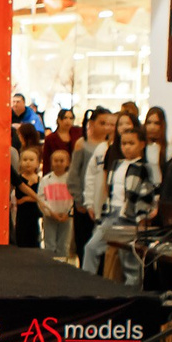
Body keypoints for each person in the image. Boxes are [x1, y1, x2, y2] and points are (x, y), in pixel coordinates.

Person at [82, 120, 157, 287]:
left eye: (131, 143)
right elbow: (110, 191)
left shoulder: (144, 168)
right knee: (91, 247)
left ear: (142, 144)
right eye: (124, 143)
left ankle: (132, 294)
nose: (127, 147)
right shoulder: (116, 164)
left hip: (130, 217)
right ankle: (86, 286)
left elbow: (146, 194)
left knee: (129, 261)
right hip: (111, 214)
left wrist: (141, 217)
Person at [68, 109, 112, 265]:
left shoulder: (110, 146)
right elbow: (73, 175)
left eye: (109, 124)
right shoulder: (82, 144)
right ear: (92, 124)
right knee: (84, 244)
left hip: (102, 203)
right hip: (83, 204)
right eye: (102, 123)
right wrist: (79, 200)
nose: (106, 127)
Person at [38, 147, 74, 260]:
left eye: (61, 161)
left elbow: (75, 199)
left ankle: (62, 265)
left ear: (68, 163)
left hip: (66, 218)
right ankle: (50, 264)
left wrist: (69, 213)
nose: (58, 163)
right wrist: (50, 212)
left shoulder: (71, 180)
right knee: (50, 243)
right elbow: (41, 199)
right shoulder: (46, 180)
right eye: (56, 161)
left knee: (64, 244)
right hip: (50, 217)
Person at [11, 147, 41, 249]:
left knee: (34, 235)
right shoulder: (18, 179)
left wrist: (26, 199)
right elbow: (17, 199)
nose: (28, 162)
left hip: (34, 213)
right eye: (25, 160)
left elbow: (41, 197)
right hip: (22, 214)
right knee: (21, 236)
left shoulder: (40, 179)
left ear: (37, 163)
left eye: (31, 160)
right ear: (20, 163)